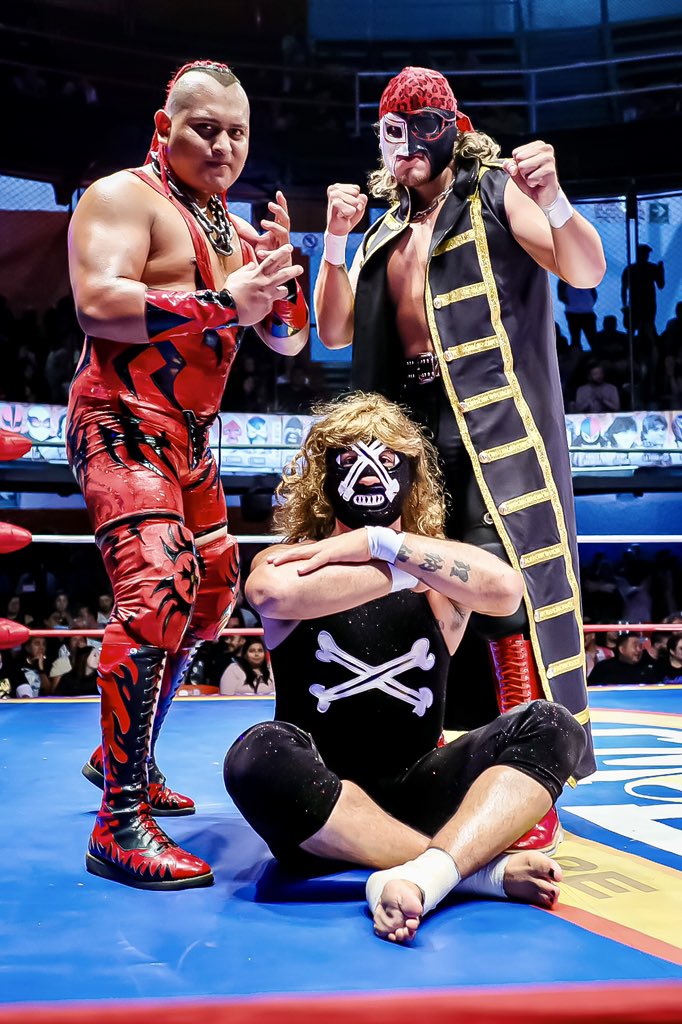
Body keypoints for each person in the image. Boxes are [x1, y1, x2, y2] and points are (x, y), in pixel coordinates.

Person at [314, 67, 601, 856]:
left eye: (420, 128)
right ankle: (431, 767)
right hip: (405, 431)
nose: (405, 145)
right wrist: (333, 240)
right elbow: (334, 332)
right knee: (416, 591)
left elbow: (585, 270)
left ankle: (529, 778)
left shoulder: (496, 192)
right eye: (392, 131)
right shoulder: (381, 226)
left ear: (452, 128)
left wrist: (554, 200)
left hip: (490, 423)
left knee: (502, 589)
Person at [66, 59, 310, 890]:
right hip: (119, 419)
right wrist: (224, 304)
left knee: (211, 593)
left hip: (192, 440)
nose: (224, 145)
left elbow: (288, 342)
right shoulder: (121, 197)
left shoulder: (236, 231)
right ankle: (118, 824)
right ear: (165, 126)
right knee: (160, 588)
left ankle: (121, 759)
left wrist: (283, 277)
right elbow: (98, 303)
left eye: (237, 132)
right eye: (206, 128)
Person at [224, 393, 586, 942]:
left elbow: (506, 589)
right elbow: (271, 594)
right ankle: (467, 872)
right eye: (351, 460)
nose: (371, 474)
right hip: (320, 808)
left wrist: (384, 544)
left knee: (553, 724)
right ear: (324, 475)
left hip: (423, 791)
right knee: (256, 754)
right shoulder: (293, 559)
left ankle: (422, 874)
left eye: (387, 459)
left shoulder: (437, 571)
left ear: (409, 475)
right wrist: (397, 567)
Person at [588, 632, 660, 685]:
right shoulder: (604, 668)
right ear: (622, 649)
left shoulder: (647, 668)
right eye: (635, 646)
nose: (639, 650)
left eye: (640, 646)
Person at [556, 281, 598, 351]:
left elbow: (593, 292)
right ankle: (578, 354)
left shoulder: (565, 279)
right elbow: (561, 293)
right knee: (579, 338)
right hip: (577, 312)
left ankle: (584, 353)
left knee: (589, 338)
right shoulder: (565, 279)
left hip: (579, 312)